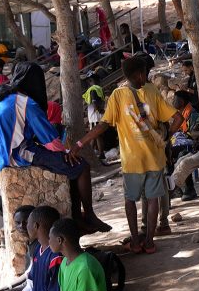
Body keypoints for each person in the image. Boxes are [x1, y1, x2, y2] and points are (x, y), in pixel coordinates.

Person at [0, 63, 110, 233]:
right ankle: (89, 215)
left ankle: (77, 217)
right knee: (80, 167)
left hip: (2, 153)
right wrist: (65, 154)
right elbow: (50, 141)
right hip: (20, 154)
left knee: (69, 169)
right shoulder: (26, 104)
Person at [76, 57, 182, 253]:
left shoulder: (117, 95)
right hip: (154, 158)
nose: (146, 75)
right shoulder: (151, 91)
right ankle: (149, 242)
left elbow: (103, 125)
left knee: (130, 200)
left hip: (131, 160)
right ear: (140, 73)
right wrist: (166, 137)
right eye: (145, 72)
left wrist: (80, 143)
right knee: (153, 201)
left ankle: (135, 241)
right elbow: (178, 118)